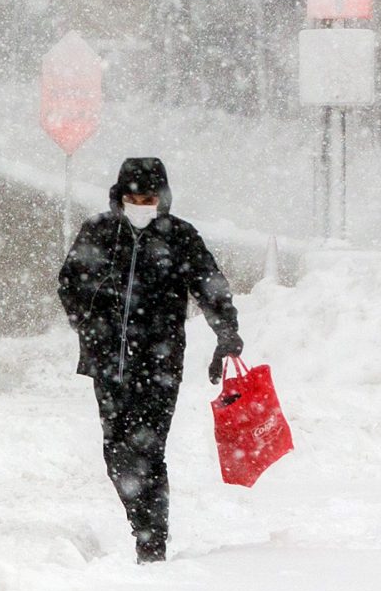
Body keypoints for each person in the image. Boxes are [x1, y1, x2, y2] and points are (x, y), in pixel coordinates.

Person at [57, 156, 242, 563]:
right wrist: (88, 323)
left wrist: (226, 332)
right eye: (134, 196)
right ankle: (139, 519)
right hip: (107, 364)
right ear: (120, 197)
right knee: (116, 453)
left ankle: (151, 541)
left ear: (163, 198)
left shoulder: (180, 238)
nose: (142, 203)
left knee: (149, 450)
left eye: (150, 197)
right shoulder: (100, 232)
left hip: (160, 366)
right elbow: (69, 281)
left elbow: (210, 286)